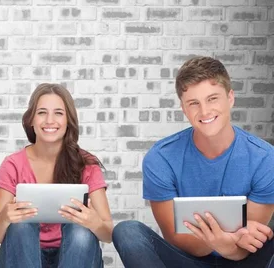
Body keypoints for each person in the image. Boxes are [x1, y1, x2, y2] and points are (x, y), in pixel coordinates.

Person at [113, 56, 274, 267]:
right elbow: (175, 237)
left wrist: (227, 244)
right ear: (183, 109)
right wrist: (220, 240)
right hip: (188, 260)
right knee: (127, 231)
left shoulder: (265, 158)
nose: (205, 111)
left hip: (244, 261)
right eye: (194, 103)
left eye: (212, 99)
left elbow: (249, 243)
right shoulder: (161, 158)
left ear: (231, 98)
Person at [0, 83, 113, 268]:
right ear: (31, 120)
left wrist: (94, 222)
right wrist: (4, 218)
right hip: (24, 256)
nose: (49, 120)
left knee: (80, 231)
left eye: (59, 113)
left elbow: (108, 234)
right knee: (20, 226)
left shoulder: (86, 163)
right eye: (42, 112)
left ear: (68, 120)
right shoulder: (13, 164)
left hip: (74, 256)